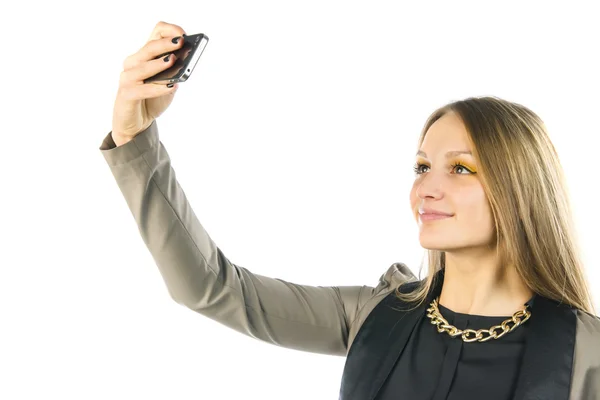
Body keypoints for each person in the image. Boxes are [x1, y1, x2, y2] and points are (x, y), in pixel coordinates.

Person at [99, 21, 600, 400]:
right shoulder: (376, 315)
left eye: (462, 169)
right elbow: (212, 289)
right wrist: (135, 140)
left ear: (520, 189)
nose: (427, 188)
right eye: (422, 166)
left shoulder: (586, 352)